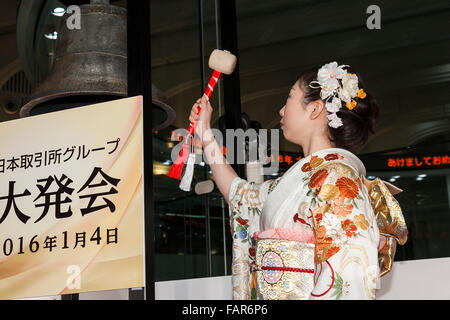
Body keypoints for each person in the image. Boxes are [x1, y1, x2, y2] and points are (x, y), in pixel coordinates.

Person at [189, 61, 407, 300]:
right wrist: (205, 133)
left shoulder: (338, 180)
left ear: (314, 109)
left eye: (290, 97)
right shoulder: (300, 181)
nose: (281, 110)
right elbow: (239, 195)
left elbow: (348, 276)